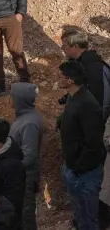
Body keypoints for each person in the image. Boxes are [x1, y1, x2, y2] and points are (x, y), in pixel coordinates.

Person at [58, 60, 106, 230]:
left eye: (61, 77)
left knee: (88, 219)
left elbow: (93, 142)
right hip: (75, 168)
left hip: (85, 173)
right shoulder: (74, 97)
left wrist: (79, 168)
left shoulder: (86, 103)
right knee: (80, 215)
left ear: (69, 80)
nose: (58, 79)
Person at [8, 82, 43, 230]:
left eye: (12, 96)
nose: (9, 98)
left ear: (19, 99)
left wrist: (10, 167)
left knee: (26, 216)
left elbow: (29, 157)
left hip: (26, 178)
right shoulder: (23, 117)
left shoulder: (29, 123)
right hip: (20, 175)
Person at [60, 26, 110, 122]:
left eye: (64, 45)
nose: (62, 48)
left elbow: (101, 103)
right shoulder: (79, 64)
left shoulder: (94, 69)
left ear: (75, 46)